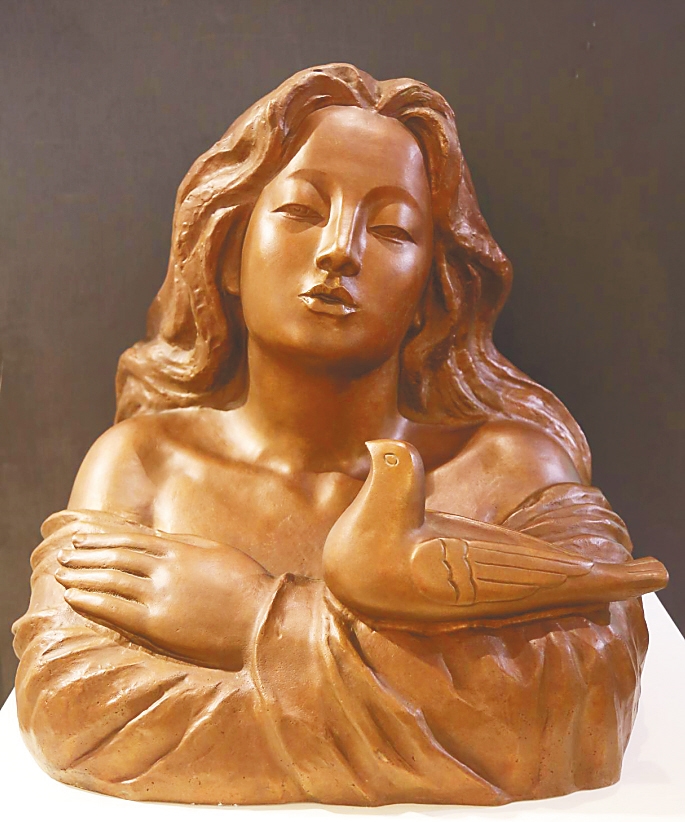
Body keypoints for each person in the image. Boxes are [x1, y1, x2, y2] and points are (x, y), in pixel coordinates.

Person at [12, 64, 666, 806]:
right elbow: (70, 709)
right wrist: (425, 704)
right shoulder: (144, 467)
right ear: (229, 254)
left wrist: (264, 620)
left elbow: (580, 705)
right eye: (301, 211)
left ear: (429, 293)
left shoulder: (512, 470)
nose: (339, 250)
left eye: (389, 229)